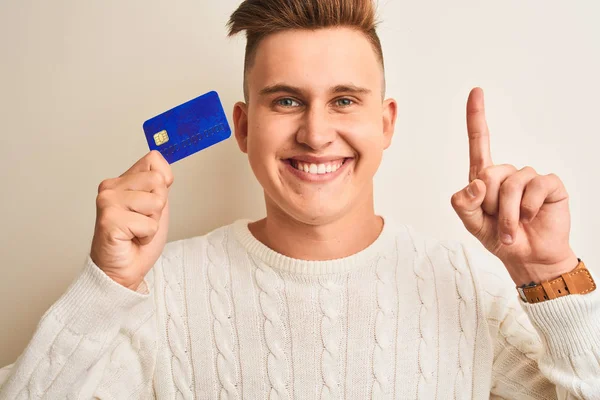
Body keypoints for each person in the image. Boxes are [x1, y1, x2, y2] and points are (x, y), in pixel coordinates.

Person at [1, 0, 599, 398]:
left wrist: (549, 274)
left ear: (386, 124)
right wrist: (105, 287)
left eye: (344, 100)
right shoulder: (163, 291)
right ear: (241, 125)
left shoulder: (466, 282)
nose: (315, 133)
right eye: (286, 100)